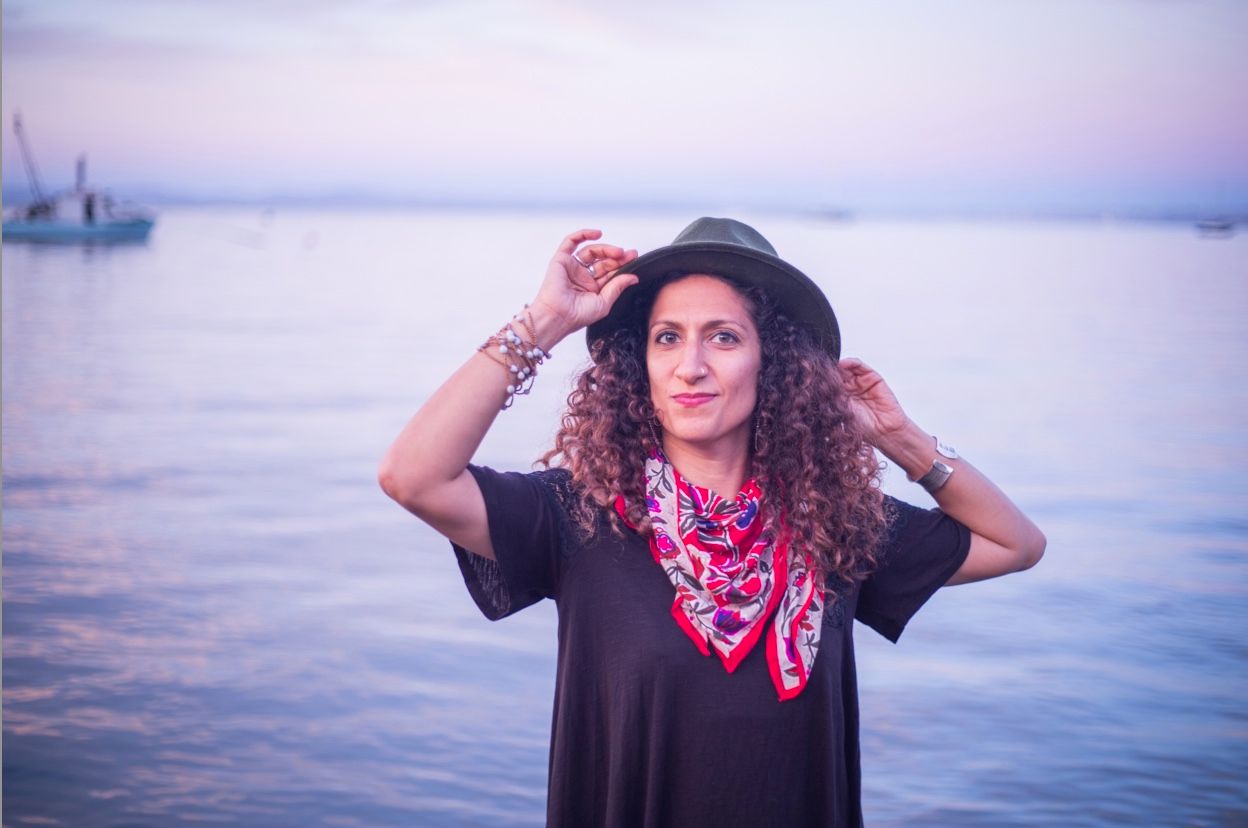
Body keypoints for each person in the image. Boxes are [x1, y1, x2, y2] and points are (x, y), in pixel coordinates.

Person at [379, 217, 1045, 827]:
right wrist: (545, 321)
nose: (690, 367)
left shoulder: (835, 522)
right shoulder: (580, 513)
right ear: (641, 363)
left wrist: (900, 439)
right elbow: (412, 476)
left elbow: (1015, 543)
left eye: (723, 337)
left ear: (773, 362)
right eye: (667, 337)